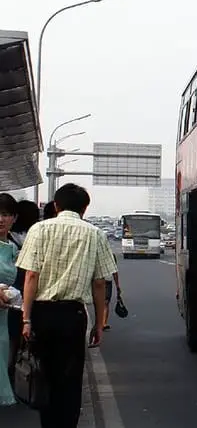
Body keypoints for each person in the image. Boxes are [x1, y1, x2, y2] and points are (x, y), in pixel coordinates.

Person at [16, 183, 117, 428]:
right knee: (70, 378)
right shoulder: (95, 234)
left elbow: (31, 276)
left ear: (56, 206)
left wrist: (26, 319)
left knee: (43, 372)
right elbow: (100, 283)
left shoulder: (39, 230)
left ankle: (48, 423)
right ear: (84, 208)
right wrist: (100, 324)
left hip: (41, 313)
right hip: (73, 314)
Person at [7, 199, 40, 381]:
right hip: (28, 296)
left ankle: (9, 370)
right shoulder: (35, 238)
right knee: (20, 337)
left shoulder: (10, 239)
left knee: (11, 336)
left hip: (10, 294)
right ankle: (18, 372)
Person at [0, 193, 18, 406]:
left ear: (14, 218)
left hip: (4, 319)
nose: (1, 219)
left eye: (5, 214)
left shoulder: (14, 249)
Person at [102, 253, 121, 330]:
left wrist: (117, 286)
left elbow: (115, 272)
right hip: (98, 281)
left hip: (107, 282)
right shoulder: (97, 255)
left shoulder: (112, 256)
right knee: (99, 302)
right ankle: (99, 322)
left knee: (106, 302)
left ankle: (103, 323)